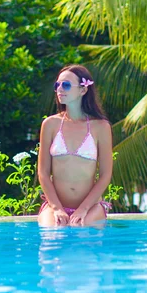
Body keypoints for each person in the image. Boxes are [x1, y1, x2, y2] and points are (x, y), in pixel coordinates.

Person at [37, 65, 113, 227]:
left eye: (66, 85)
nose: (59, 89)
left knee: (81, 231)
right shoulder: (50, 124)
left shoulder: (100, 127)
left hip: (90, 208)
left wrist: (83, 209)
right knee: (53, 235)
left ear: (83, 90)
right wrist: (57, 208)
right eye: (57, 85)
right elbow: (43, 173)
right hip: (55, 207)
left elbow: (105, 175)